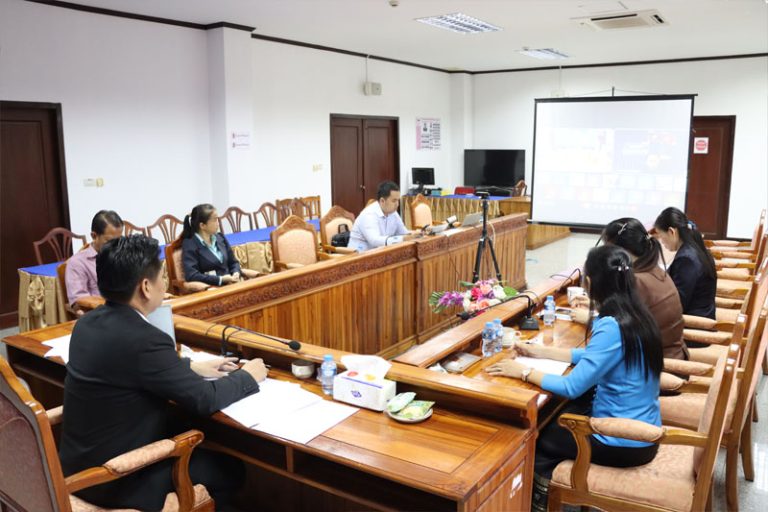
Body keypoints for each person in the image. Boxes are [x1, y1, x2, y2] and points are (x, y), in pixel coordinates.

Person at [59, 235, 268, 510]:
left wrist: (189, 366)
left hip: (76, 467)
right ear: (146, 287)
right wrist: (248, 375)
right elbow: (204, 399)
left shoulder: (87, 324)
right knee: (230, 470)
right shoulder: (146, 339)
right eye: (162, 276)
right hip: (116, 479)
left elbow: (126, 367)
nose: (164, 283)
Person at [486, 245, 662, 511]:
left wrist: (523, 371)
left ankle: (540, 503)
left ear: (589, 282)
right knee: (563, 412)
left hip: (621, 439)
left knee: (539, 436)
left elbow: (571, 386)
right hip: (643, 429)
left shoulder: (611, 325)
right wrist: (541, 352)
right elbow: (596, 356)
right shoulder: (637, 314)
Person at [587, 217, 687, 360]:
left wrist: (590, 319)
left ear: (620, 251)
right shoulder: (654, 270)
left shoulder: (637, 281)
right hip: (672, 354)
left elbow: (616, 334)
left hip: (655, 364)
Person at [653, 207, 717, 320]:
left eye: (661, 237)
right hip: (703, 315)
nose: (662, 242)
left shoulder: (686, 259)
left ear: (671, 232)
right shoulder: (696, 249)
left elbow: (678, 303)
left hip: (695, 322)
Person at [181, 203, 257, 286]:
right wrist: (220, 279)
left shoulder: (220, 237)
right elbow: (192, 275)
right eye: (215, 220)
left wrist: (236, 272)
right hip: (213, 288)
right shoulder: (190, 244)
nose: (218, 223)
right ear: (202, 225)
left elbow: (233, 262)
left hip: (232, 284)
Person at [64, 210, 124, 315]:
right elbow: (79, 303)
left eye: (119, 241)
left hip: (126, 311)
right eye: (110, 241)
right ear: (94, 236)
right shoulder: (77, 263)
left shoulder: (122, 255)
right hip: (101, 315)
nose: (116, 246)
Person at [347, 181, 425, 252]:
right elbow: (374, 240)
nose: (397, 204)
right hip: (359, 255)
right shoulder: (369, 214)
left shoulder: (393, 213)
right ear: (382, 201)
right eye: (394, 201)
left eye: (398, 200)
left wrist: (419, 233)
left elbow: (404, 233)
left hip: (379, 252)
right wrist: (403, 238)